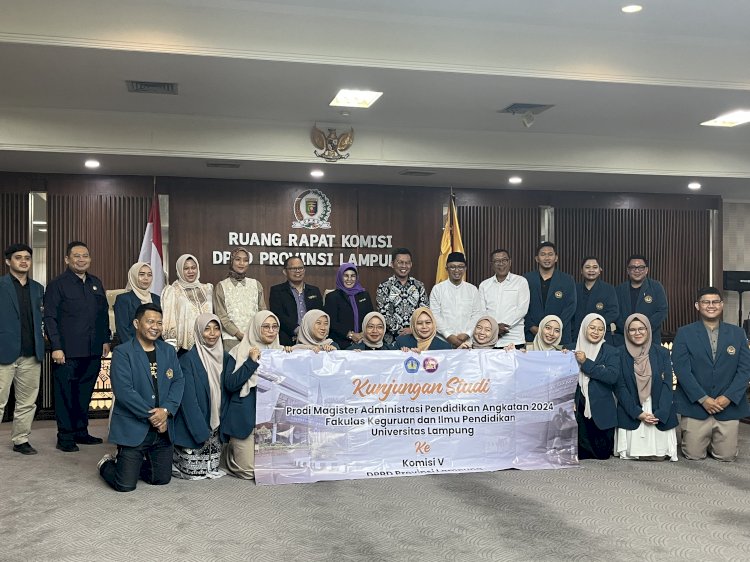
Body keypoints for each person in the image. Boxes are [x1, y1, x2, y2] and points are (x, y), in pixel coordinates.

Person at [98, 303, 185, 492]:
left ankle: (132, 465)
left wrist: (166, 411)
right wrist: (155, 416)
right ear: (137, 323)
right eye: (150, 321)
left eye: (159, 323)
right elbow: (124, 391)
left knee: (161, 479)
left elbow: (178, 381)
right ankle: (106, 464)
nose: (155, 327)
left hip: (162, 430)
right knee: (124, 485)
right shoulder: (122, 352)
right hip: (134, 427)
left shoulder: (168, 351)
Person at [44, 241, 111, 452]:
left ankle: (81, 431)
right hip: (67, 352)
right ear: (67, 259)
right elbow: (50, 318)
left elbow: (103, 314)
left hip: (93, 350)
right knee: (65, 395)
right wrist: (56, 346)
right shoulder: (57, 284)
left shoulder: (95, 282)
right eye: (77, 256)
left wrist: (105, 339)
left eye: (85, 256)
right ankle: (65, 436)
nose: (81, 259)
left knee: (84, 394)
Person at [671, 287, 750, 462]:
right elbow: (682, 370)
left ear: (722, 305)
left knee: (726, 456)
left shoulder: (738, 333)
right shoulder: (684, 333)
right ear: (697, 305)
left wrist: (728, 397)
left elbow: (745, 370)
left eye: (715, 302)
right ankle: (700, 437)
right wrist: (703, 399)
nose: (711, 305)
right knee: (693, 455)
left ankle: (714, 439)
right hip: (696, 406)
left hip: (727, 406)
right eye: (706, 302)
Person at [221, 311, 290, 479]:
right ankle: (227, 457)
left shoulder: (281, 352)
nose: (271, 331)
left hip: (270, 421)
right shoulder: (238, 351)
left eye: (274, 327)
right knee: (249, 472)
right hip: (244, 421)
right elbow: (230, 384)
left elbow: (307, 355)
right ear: (256, 328)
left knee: (278, 469)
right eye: (265, 327)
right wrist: (251, 362)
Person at [0, 243, 45, 455]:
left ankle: (21, 439)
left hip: (31, 353)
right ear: (8, 261)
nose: (24, 261)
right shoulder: (1, 285)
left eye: (27, 258)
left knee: (27, 402)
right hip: (4, 352)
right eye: (18, 258)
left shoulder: (38, 288)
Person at [614, 314, 678, 461]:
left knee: (660, 454)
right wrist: (638, 413)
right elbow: (620, 388)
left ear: (648, 330)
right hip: (632, 409)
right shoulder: (619, 353)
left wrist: (661, 412)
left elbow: (668, 385)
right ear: (627, 332)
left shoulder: (662, 352)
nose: (637, 333)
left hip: (658, 407)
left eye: (641, 329)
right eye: (632, 330)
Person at [172, 313, 228, 480]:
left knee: (211, 467)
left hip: (217, 425)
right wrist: (201, 433)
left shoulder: (226, 357)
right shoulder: (187, 360)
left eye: (216, 328)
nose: (212, 333)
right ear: (198, 331)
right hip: (194, 426)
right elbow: (188, 402)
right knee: (194, 470)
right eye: (207, 329)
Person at [572, 313, 619, 460]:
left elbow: (612, 376)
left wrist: (586, 362)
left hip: (601, 411)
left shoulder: (611, 351)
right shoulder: (571, 350)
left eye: (600, 329)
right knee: (578, 454)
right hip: (578, 408)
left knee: (602, 454)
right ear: (584, 328)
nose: (596, 332)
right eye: (592, 328)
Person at [213, 247, 267, 352]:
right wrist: (238, 334)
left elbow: (263, 313)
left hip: (255, 339)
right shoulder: (221, 286)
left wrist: (256, 334)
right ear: (231, 261)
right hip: (231, 340)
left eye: (245, 260)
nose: (242, 263)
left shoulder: (256, 284)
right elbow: (221, 316)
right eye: (238, 259)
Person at [524, 242, 576, 347]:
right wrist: (531, 327)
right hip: (532, 334)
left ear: (556, 258)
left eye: (550, 254)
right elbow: (521, 306)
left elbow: (570, 307)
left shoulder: (567, 280)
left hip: (560, 336)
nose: (547, 258)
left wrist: (555, 328)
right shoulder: (526, 279)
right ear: (537, 258)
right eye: (543, 254)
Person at [476, 248, 530, 348]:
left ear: (510, 262)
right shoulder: (484, 285)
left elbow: (522, 310)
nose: (501, 264)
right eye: (497, 261)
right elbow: (482, 311)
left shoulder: (521, 282)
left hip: (514, 339)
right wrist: (494, 328)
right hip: (489, 339)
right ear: (492, 264)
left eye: (504, 260)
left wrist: (501, 327)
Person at [161, 253, 213, 354]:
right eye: (186, 268)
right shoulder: (172, 291)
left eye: (193, 268)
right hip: (184, 348)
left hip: (209, 343)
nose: (190, 271)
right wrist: (171, 350)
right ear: (180, 270)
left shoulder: (208, 289)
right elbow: (168, 321)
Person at [613, 254, 668, 346]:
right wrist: (628, 329)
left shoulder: (656, 287)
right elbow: (615, 312)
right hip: (624, 338)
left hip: (651, 338)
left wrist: (644, 328)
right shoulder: (619, 289)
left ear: (646, 270)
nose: (637, 270)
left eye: (641, 267)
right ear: (628, 270)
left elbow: (662, 310)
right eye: (633, 267)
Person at [377, 248, 429, 344]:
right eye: (400, 262)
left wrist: (413, 330)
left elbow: (424, 311)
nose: (404, 266)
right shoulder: (384, 286)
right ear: (392, 264)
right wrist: (401, 331)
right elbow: (384, 314)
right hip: (392, 341)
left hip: (416, 339)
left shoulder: (419, 286)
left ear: (411, 264)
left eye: (407, 263)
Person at [429, 252, 481, 348]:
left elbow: (477, 314)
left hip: (467, 342)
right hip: (443, 342)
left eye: (460, 267)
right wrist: (449, 336)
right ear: (446, 269)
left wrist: (467, 334)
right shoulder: (437, 289)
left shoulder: (473, 290)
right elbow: (435, 315)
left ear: (465, 268)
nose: (457, 270)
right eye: (452, 267)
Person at [269, 256, 323, 346]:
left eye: (300, 268)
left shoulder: (314, 291)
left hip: (313, 338)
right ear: (285, 272)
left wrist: (311, 332)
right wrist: (297, 330)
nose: (298, 271)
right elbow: (278, 315)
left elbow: (319, 314)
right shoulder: (277, 291)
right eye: (293, 268)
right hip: (287, 339)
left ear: (304, 270)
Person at [323, 263, 374, 349]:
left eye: (353, 276)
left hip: (364, 342)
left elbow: (370, 318)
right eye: (346, 276)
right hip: (340, 344)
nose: (349, 279)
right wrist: (350, 335)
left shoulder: (364, 295)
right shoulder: (332, 296)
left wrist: (362, 334)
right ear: (340, 277)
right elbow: (331, 322)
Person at [114, 262, 161, 344]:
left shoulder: (157, 299)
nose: (146, 278)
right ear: (134, 276)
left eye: (149, 275)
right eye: (141, 274)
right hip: (131, 347)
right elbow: (122, 330)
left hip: (155, 346)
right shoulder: (123, 299)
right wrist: (136, 348)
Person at [572, 256, 619, 338]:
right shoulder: (574, 288)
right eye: (587, 267)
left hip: (600, 333)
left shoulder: (608, 289)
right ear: (581, 271)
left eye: (595, 267)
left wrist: (596, 324)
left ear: (600, 270)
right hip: (577, 333)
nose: (591, 270)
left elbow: (613, 312)